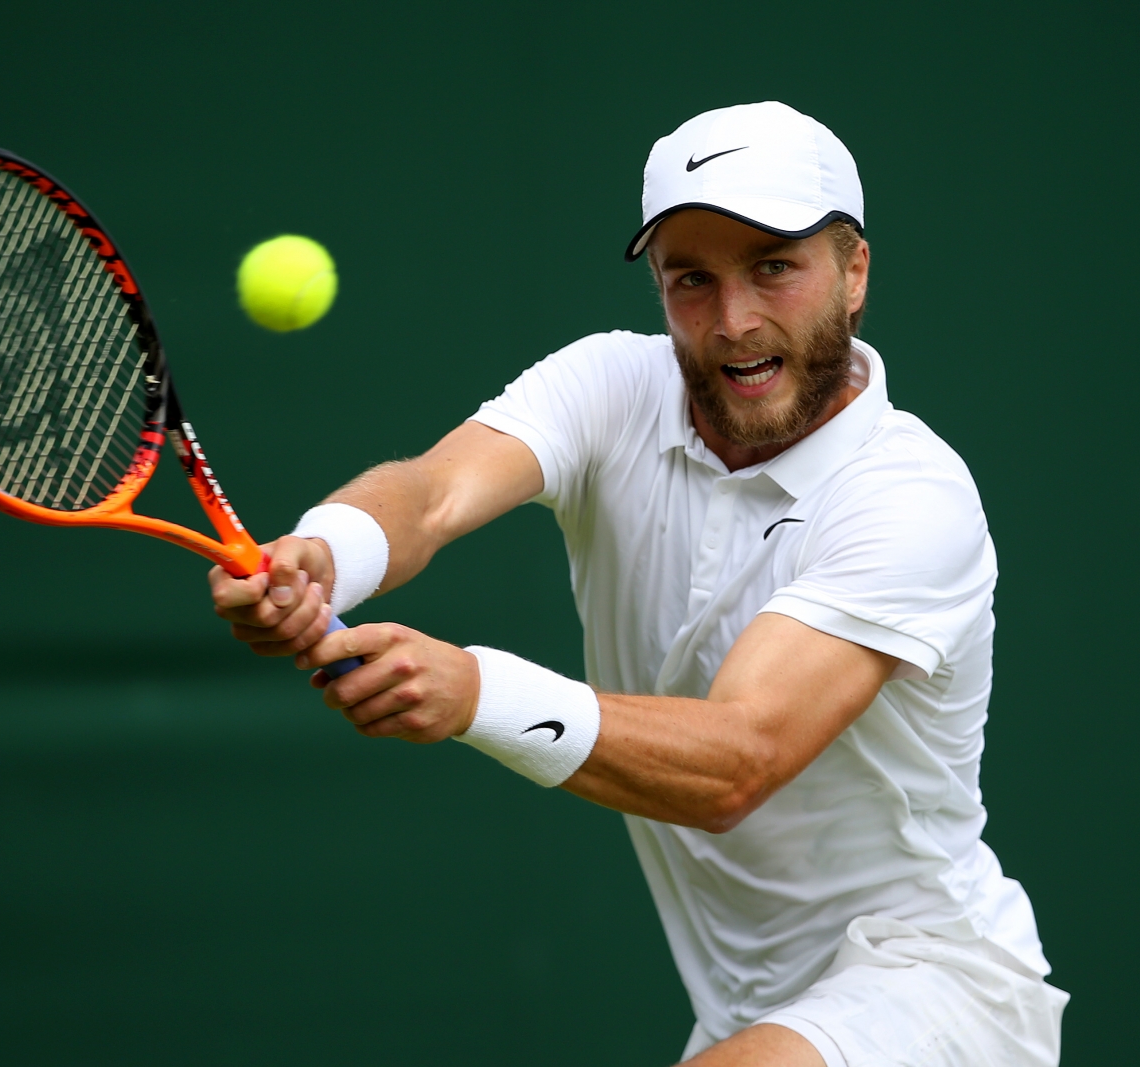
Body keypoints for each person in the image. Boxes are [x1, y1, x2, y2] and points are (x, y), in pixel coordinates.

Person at [209, 102, 1068, 1066]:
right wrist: (330, 551)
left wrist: (476, 693)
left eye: (774, 266)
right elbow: (435, 491)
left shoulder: (911, 499)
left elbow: (740, 758)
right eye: (692, 279)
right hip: (744, 1015)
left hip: (936, 989)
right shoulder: (614, 387)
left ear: (854, 271)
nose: (735, 319)